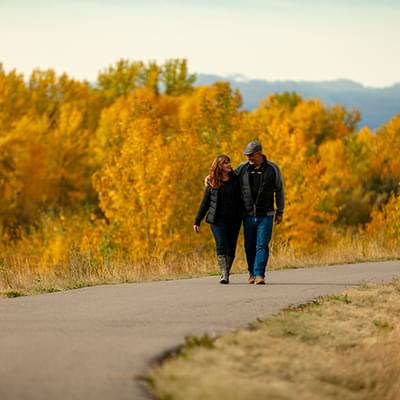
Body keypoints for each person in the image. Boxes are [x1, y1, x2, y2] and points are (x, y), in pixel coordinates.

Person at [236, 140, 284, 285]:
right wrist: (210, 179)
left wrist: (280, 211)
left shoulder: (272, 168)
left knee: (262, 244)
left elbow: (279, 190)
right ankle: (251, 273)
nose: (249, 158)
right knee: (249, 245)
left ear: (259, 153)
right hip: (248, 214)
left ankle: (259, 274)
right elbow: (227, 180)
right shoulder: (242, 169)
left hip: (267, 214)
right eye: (247, 155)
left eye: (251, 155)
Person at [193, 155, 242, 284]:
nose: (229, 165)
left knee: (231, 247)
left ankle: (226, 271)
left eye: (229, 163)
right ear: (220, 166)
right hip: (217, 220)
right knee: (221, 244)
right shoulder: (212, 182)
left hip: (234, 219)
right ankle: (224, 274)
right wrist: (197, 220)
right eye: (226, 163)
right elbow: (205, 203)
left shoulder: (236, 179)